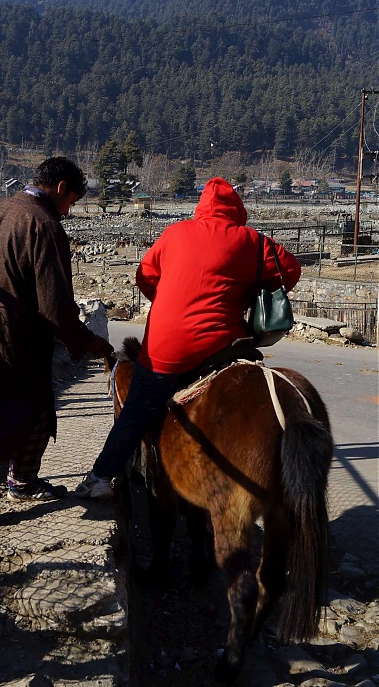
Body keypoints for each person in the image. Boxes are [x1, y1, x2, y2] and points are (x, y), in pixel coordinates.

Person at [75, 176, 301, 499]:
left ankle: (100, 476)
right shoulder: (253, 241)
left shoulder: (174, 233)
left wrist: (172, 298)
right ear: (237, 211)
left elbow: (144, 277)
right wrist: (248, 289)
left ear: (200, 208)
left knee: (136, 411)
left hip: (167, 350)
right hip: (223, 347)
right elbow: (290, 270)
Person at [0, 157, 114, 516]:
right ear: (60, 189)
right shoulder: (43, 224)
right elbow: (53, 302)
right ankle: (22, 482)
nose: (69, 211)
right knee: (36, 409)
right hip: (17, 333)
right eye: (71, 201)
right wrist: (88, 341)